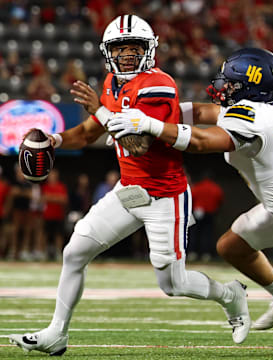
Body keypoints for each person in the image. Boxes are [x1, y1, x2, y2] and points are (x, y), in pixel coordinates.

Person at [9, 15, 250, 355]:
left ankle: (231, 294)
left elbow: (140, 144)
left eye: (134, 48)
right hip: (130, 189)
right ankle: (56, 333)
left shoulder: (159, 84)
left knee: (173, 283)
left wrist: (102, 111)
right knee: (75, 252)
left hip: (166, 194)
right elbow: (91, 131)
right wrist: (55, 138)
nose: (126, 55)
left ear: (148, 50)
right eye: (120, 49)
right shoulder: (112, 83)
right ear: (109, 52)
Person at [108, 47, 273, 330]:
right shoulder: (260, 108)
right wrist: (148, 115)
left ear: (251, 87)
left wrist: (149, 125)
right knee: (232, 246)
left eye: (231, 82)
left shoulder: (255, 118)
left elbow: (202, 142)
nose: (223, 86)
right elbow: (203, 111)